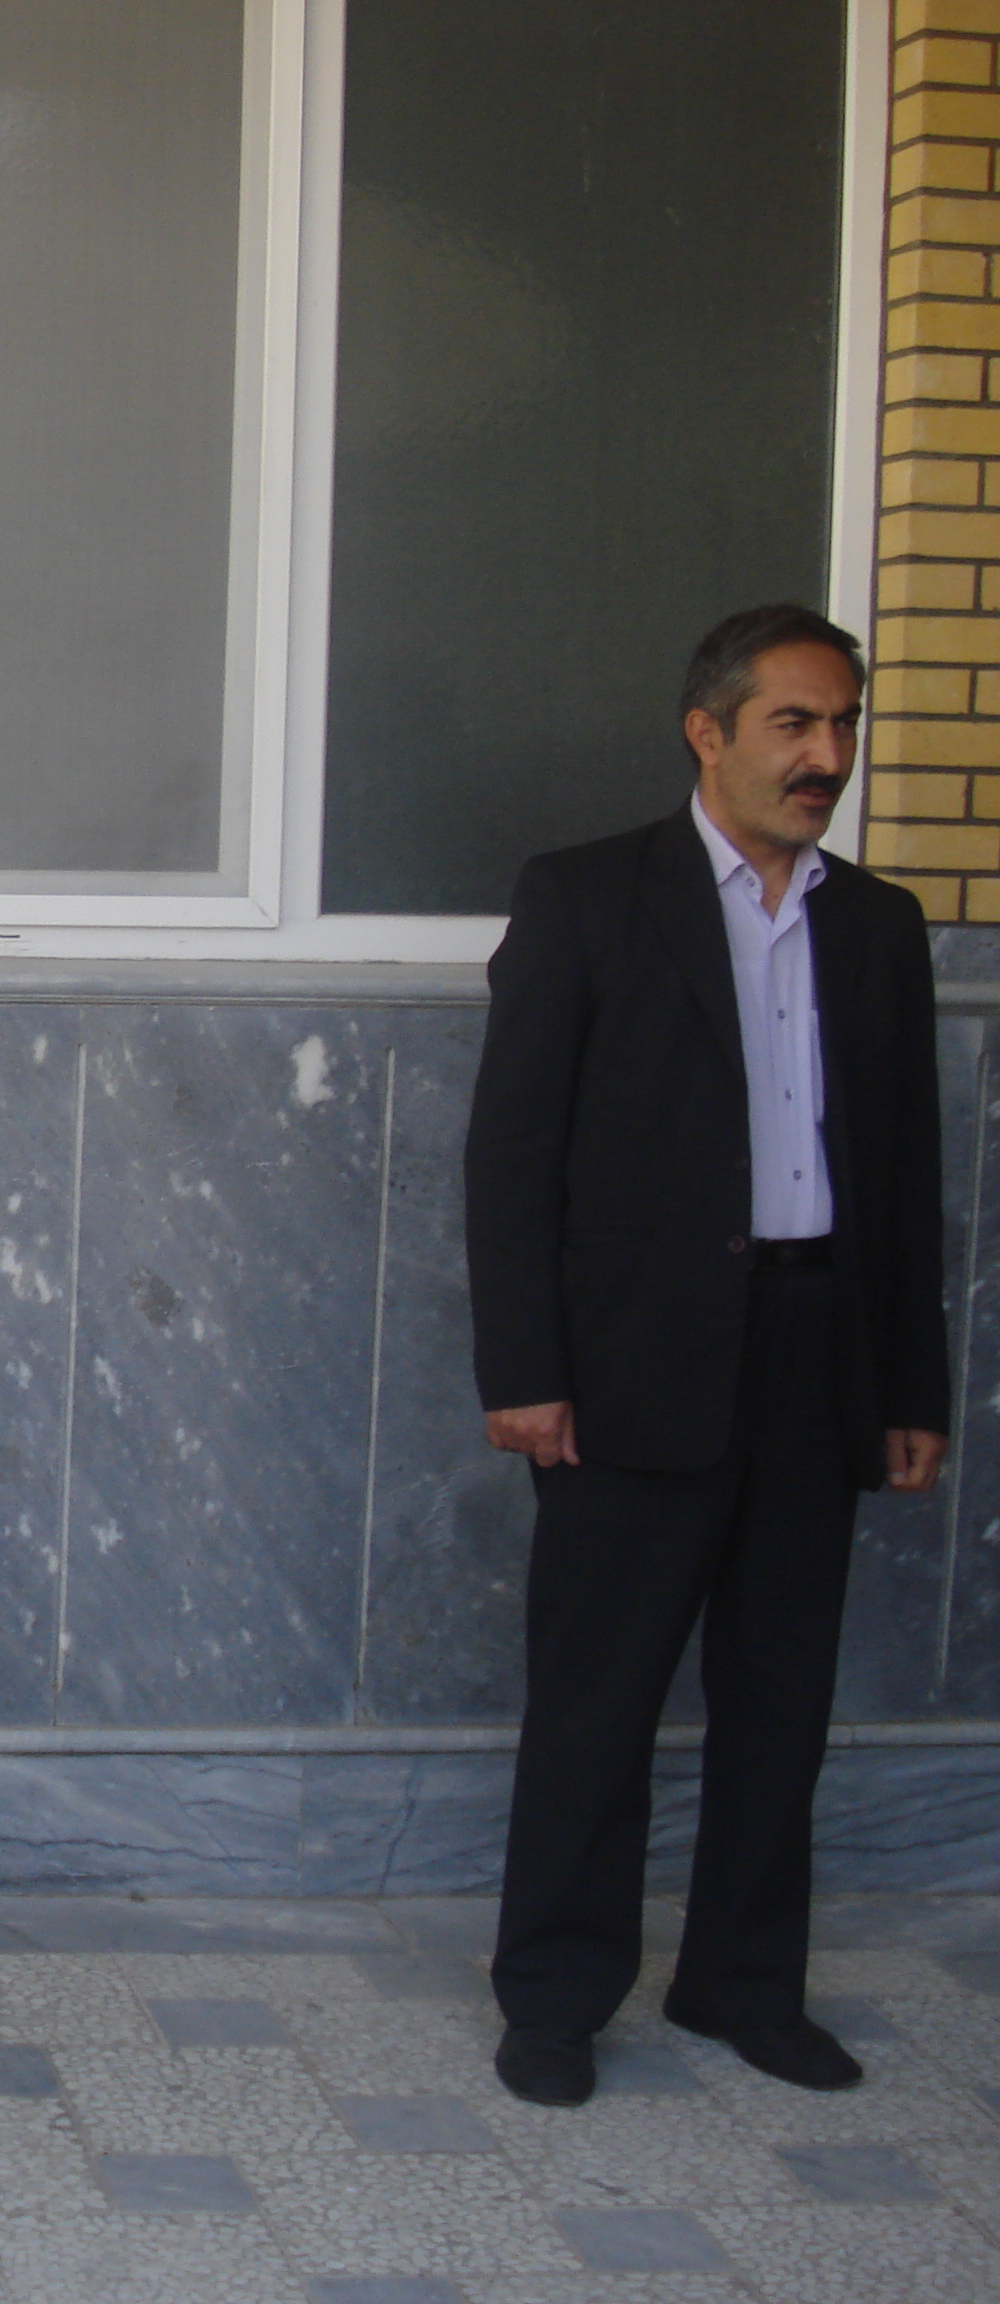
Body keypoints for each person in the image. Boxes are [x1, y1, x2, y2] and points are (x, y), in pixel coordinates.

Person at [464, 605, 948, 2108]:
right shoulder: (588, 897)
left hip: (816, 1352)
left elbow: (905, 1172)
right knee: (597, 1701)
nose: (826, 756)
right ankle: (555, 1996)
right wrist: (524, 1370)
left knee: (782, 1700)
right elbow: (512, 1154)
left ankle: (742, 1983)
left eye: (843, 724)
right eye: (795, 724)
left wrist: (910, 1387)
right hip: (632, 1367)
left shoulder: (878, 926)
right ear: (709, 731)